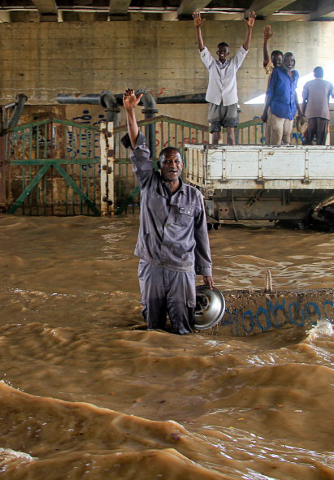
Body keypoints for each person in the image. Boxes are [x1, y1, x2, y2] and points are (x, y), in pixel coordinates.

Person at [122, 88, 214, 335]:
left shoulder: (194, 196)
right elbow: (138, 146)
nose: (172, 165)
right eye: (167, 162)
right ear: (159, 165)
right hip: (152, 264)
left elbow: (201, 236)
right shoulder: (148, 183)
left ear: (182, 167)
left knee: (184, 324)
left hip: (182, 268)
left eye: (176, 162)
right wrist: (130, 111)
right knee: (153, 325)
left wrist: (205, 271)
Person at [193, 10, 256, 145]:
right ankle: (215, 160)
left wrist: (249, 29)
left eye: (224, 51)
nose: (222, 53)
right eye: (220, 51)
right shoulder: (211, 64)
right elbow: (202, 49)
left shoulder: (233, 64)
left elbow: (245, 49)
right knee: (215, 135)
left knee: (231, 134)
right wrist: (198, 28)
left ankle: (230, 159)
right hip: (215, 101)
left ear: (228, 53)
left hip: (230, 102)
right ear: (217, 52)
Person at [262, 51, 303, 145]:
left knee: (287, 139)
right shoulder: (277, 72)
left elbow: (294, 92)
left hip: (290, 111)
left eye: (292, 61)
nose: (290, 63)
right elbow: (270, 93)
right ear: (283, 62)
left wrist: (300, 111)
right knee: (276, 137)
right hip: (278, 111)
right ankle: (273, 157)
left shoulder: (295, 74)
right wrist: (265, 112)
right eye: (287, 61)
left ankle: (285, 158)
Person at [301, 66, 334, 145]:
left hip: (310, 115)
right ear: (323, 74)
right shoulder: (328, 84)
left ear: (314, 74)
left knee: (308, 140)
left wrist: (303, 114)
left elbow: (304, 100)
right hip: (323, 114)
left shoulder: (308, 84)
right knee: (321, 141)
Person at [262, 25, 284, 145]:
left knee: (283, 140)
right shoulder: (271, 70)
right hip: (271, 108)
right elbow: (265, 59)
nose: (277, 62)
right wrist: (265, 40)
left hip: (283, 110)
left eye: (279, 60)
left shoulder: (285, 73)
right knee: (270, 139)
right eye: (275, 60)